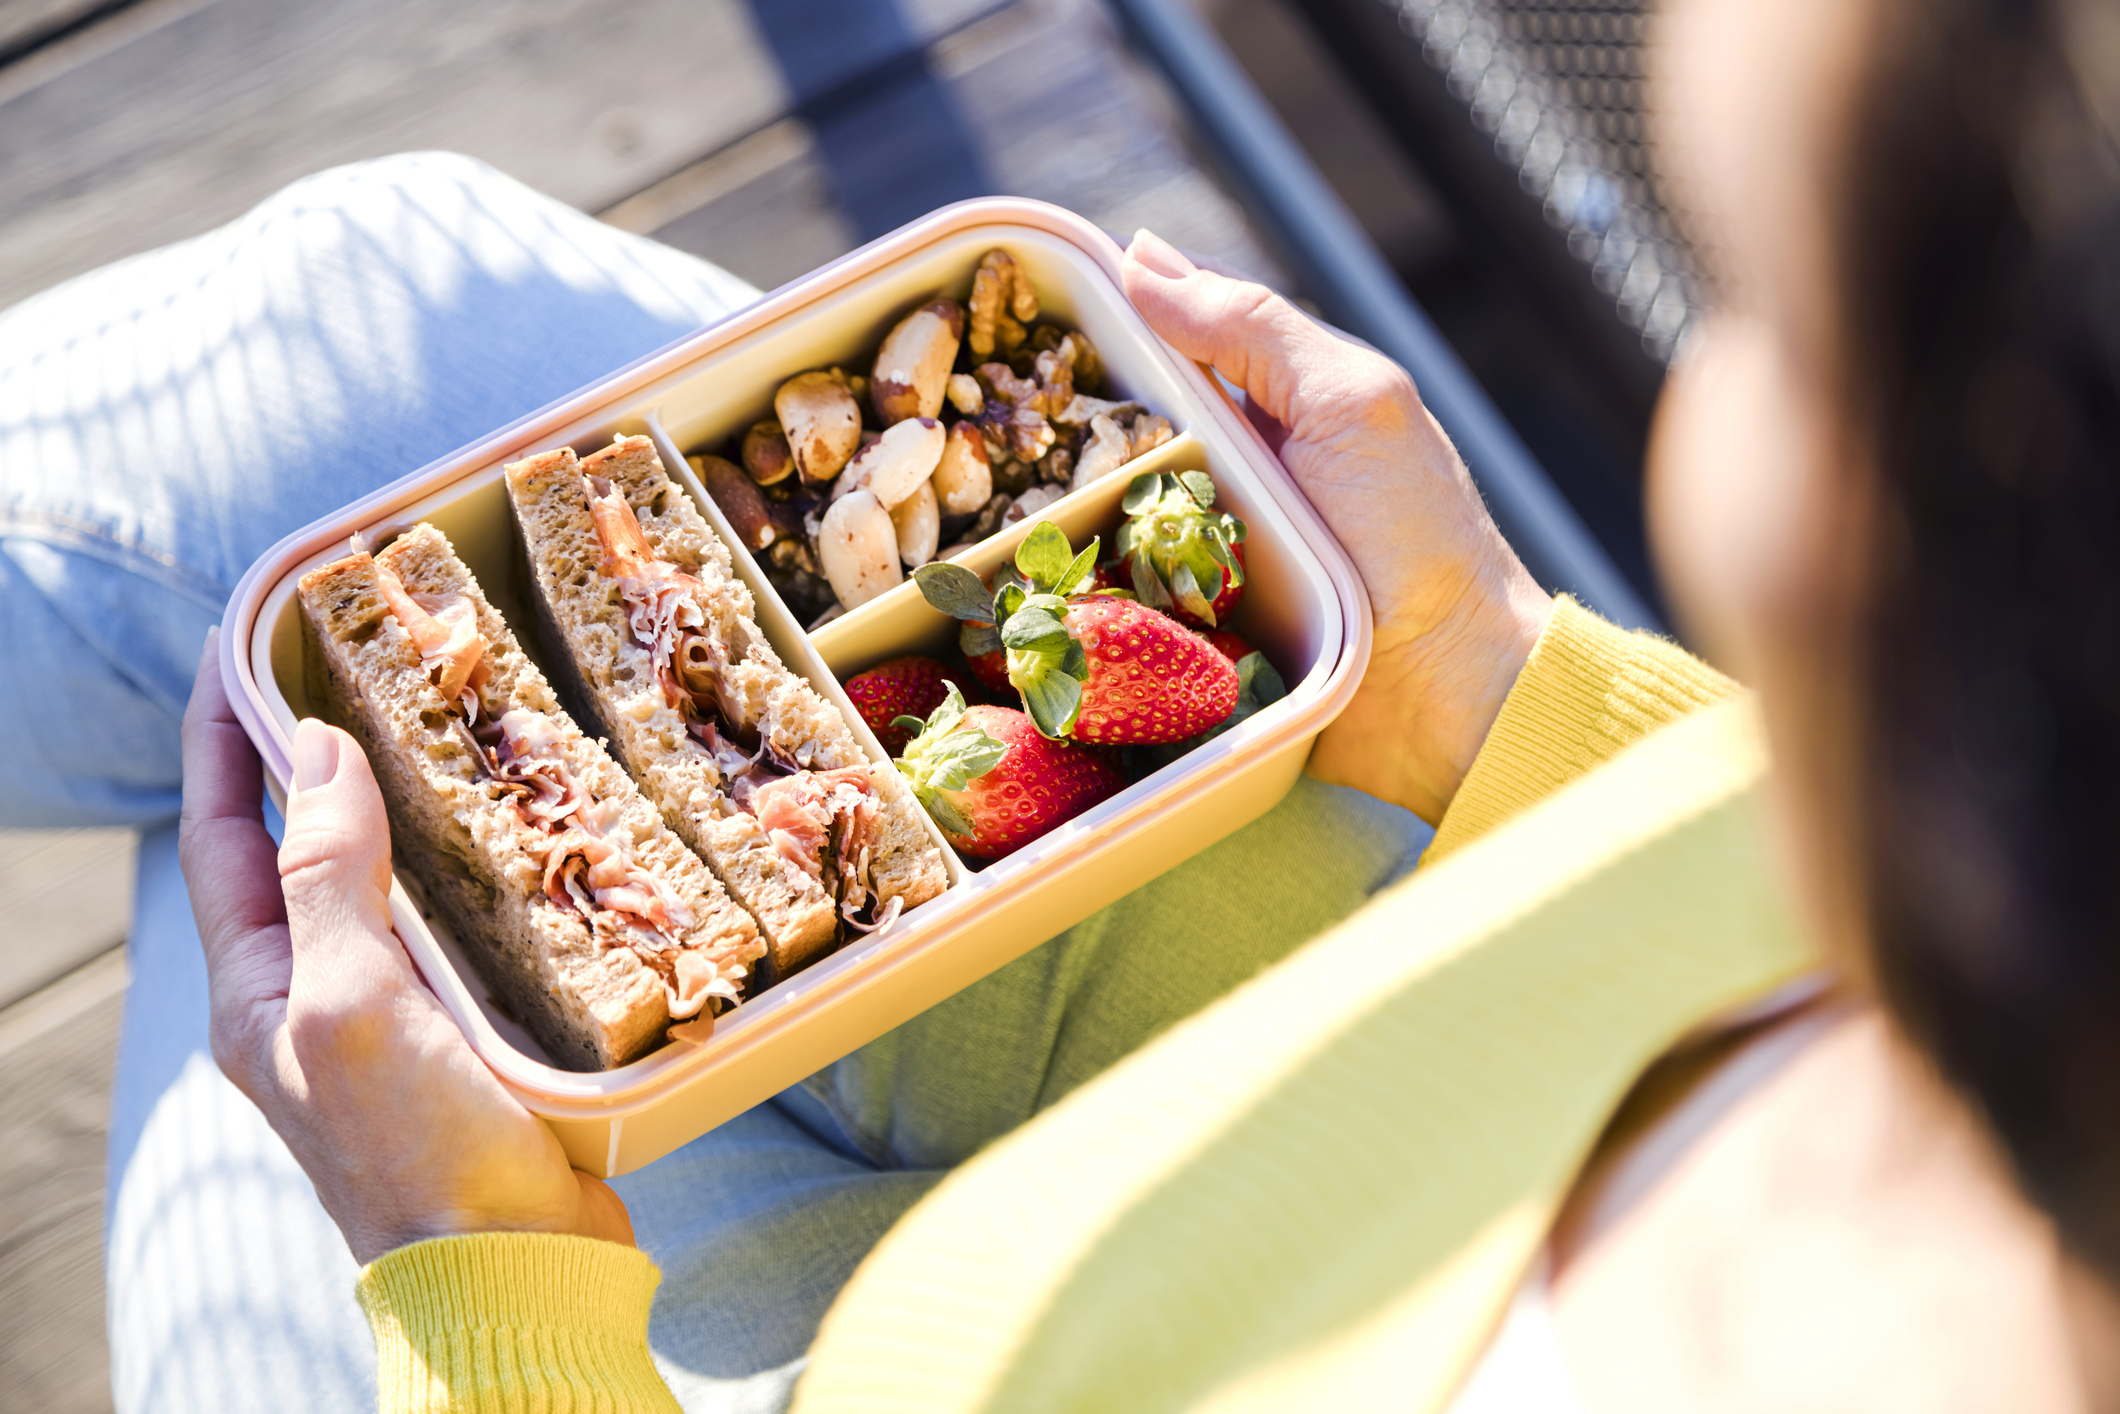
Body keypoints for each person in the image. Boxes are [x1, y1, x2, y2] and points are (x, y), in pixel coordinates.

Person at [13, 0, 2114, 1403]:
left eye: (1765, 321)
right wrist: (1495, 701)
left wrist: (471, 1277)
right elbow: (1729, 864)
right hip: (1380, 1043)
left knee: (251, 986)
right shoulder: (1961, 948)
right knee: (375, 329)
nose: (1697, 428)